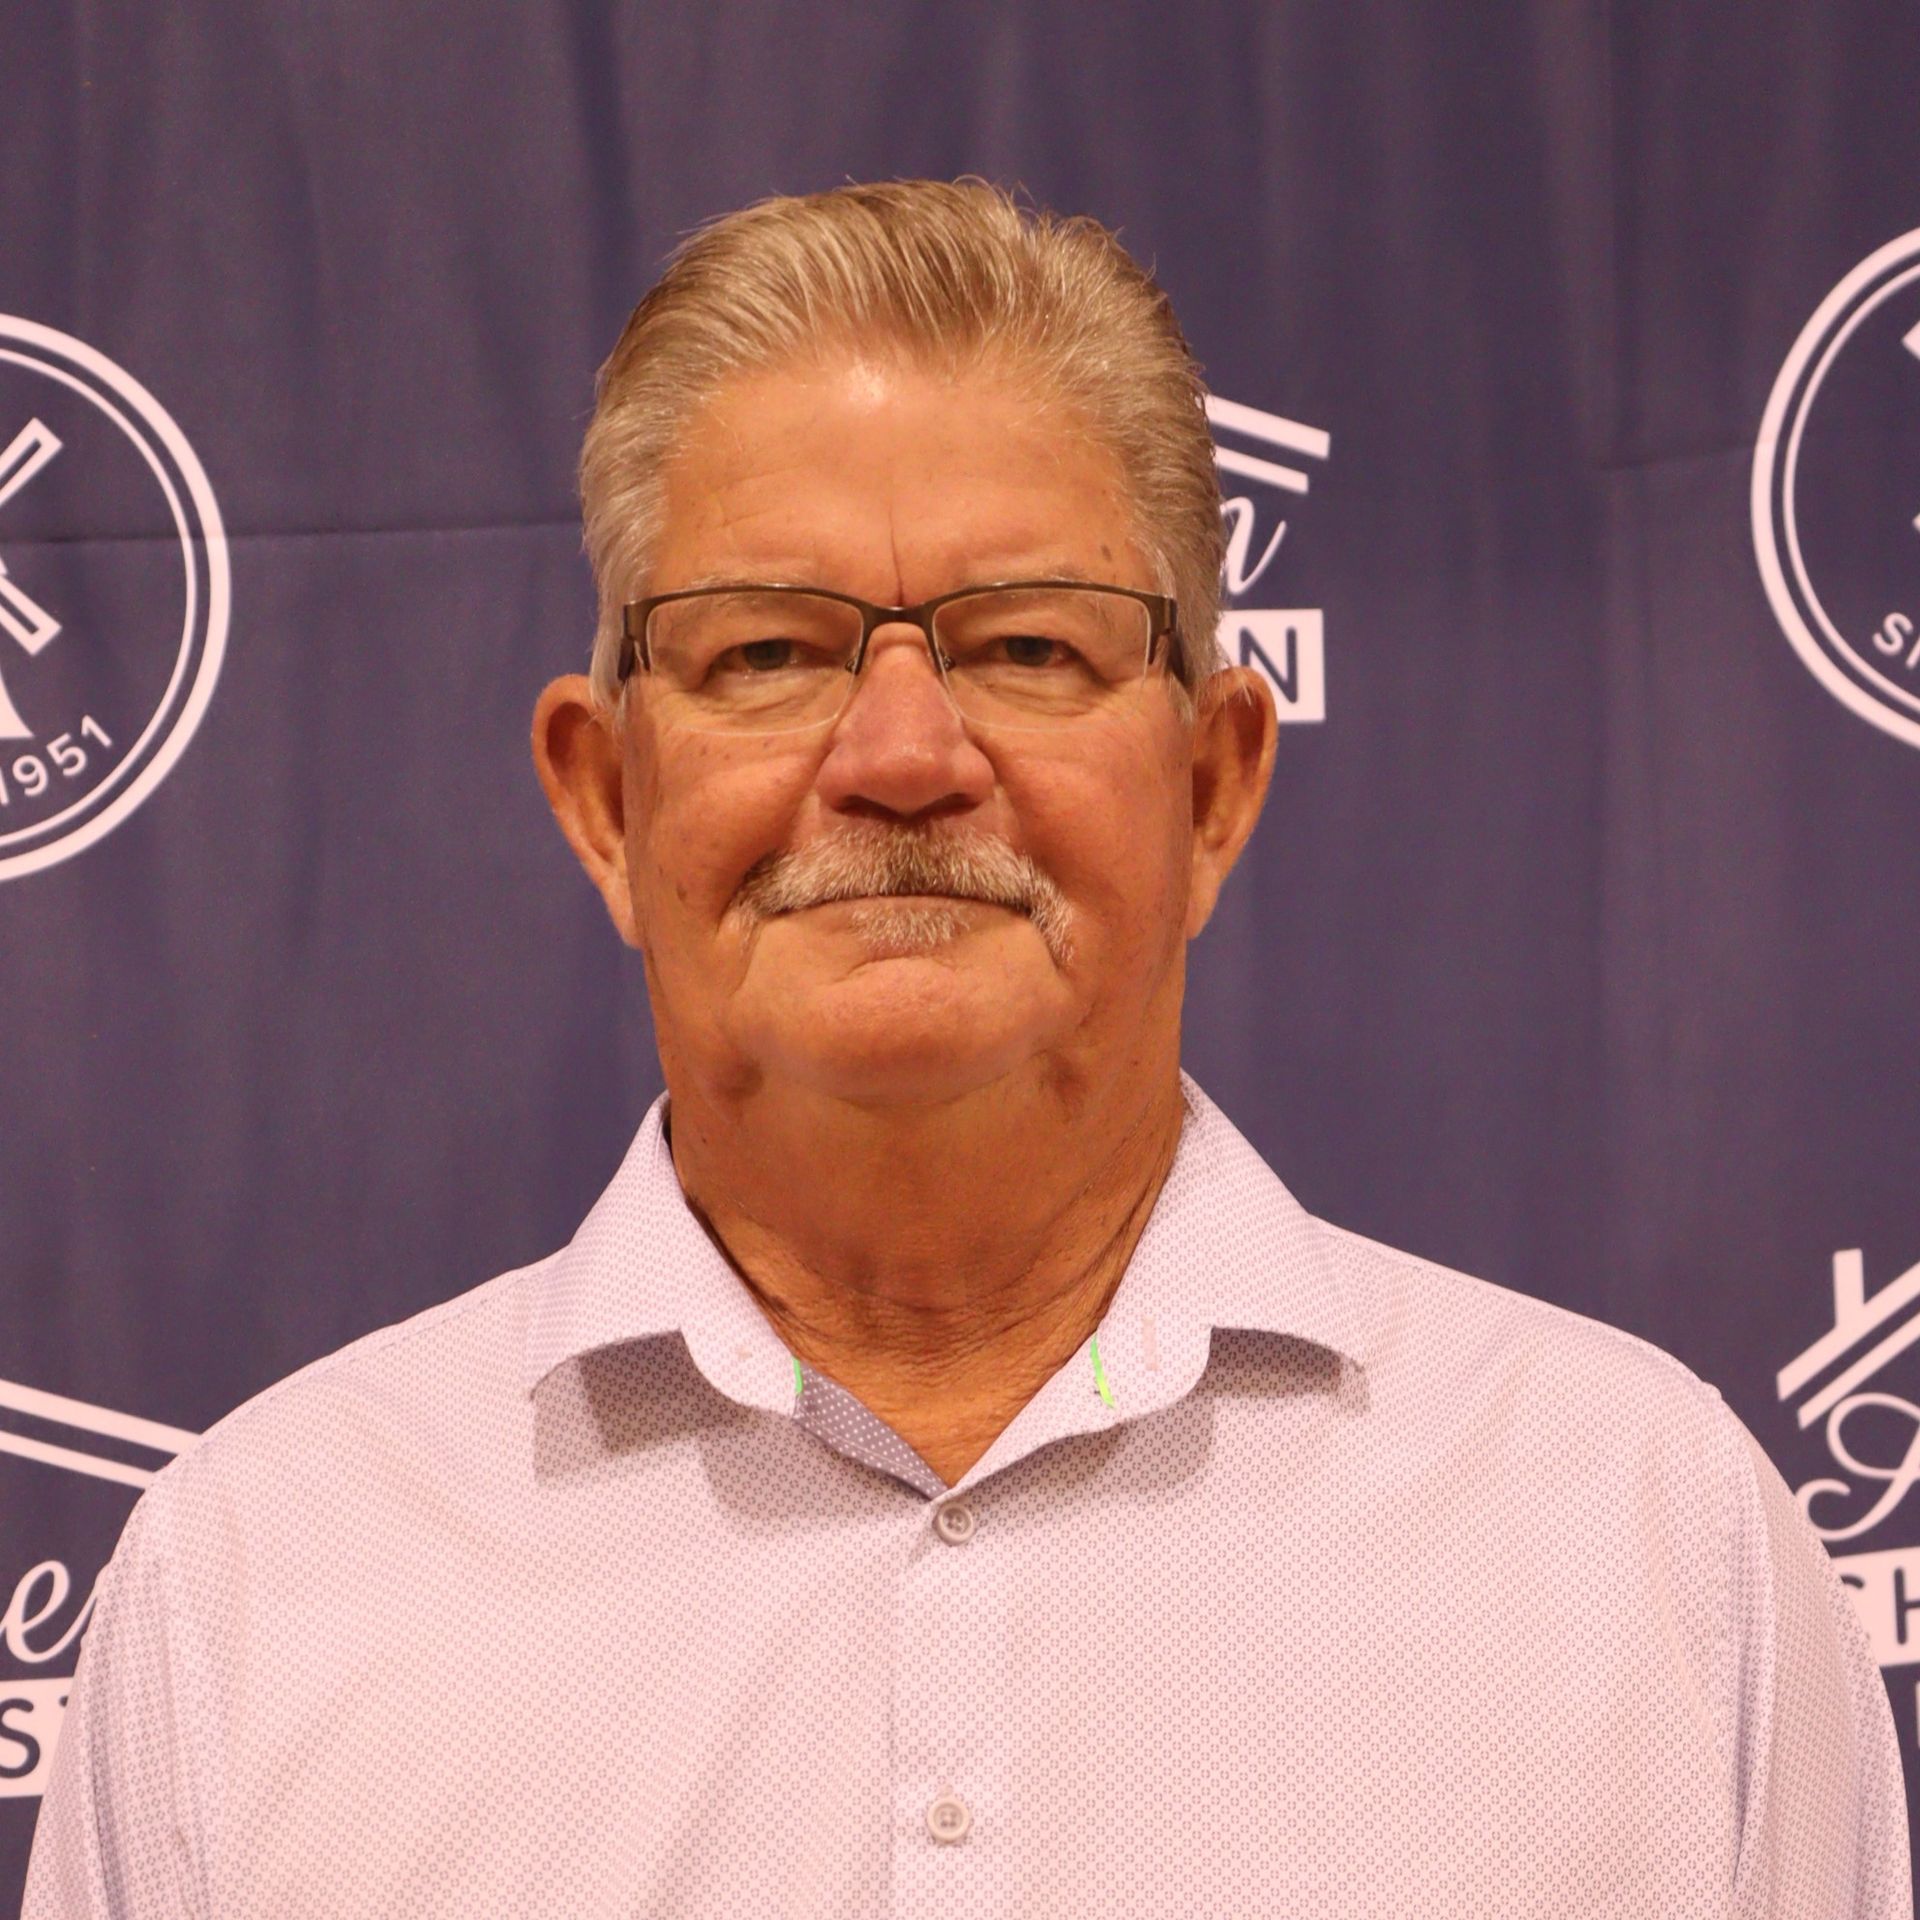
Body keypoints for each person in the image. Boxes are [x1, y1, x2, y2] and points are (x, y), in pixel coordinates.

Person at [25, 179, 1909, 1918]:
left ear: (1214, 784)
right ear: (606, 800)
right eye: (766, 652)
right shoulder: (254, 1595)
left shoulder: (1652, 1552)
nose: (905, 757)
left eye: (1029, 647)